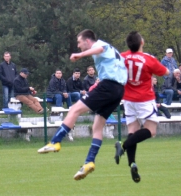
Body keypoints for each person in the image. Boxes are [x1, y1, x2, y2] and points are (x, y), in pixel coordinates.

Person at [38, 29, 128, 181]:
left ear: (87, 41)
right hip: (119, 90)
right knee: (97, 127)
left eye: (79, 42)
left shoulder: (100, 45)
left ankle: (55, 142)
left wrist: (79, 55)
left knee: (74, 109)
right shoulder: (113, 51)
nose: (78, 46)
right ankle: (89, 162)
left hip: (108, 86)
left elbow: (99, 49)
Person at [114, 31, 169, 183]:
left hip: (128, 99)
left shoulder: (121, 57)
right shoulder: (148, 59)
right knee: (151, 131)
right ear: (141, 43)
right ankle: (123, 146)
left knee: (133, 131)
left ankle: (132, 163)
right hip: (145, 99)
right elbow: (166, 72)